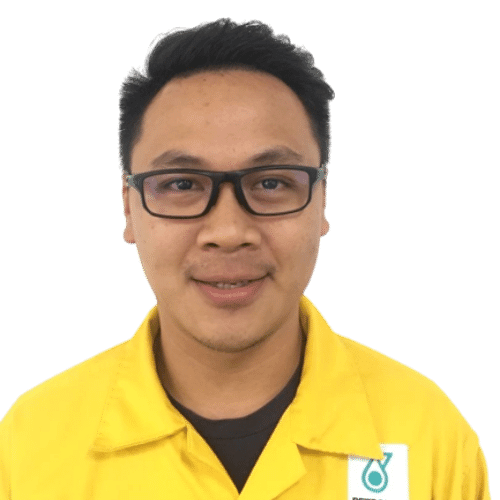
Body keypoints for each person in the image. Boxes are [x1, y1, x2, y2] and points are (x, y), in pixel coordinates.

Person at [0, 18, 490, 499]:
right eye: (182, 184)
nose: (229, 233)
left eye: (271, 182)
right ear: (129, 208)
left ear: (322, 201)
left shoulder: (429, 434)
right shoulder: (27, 443)